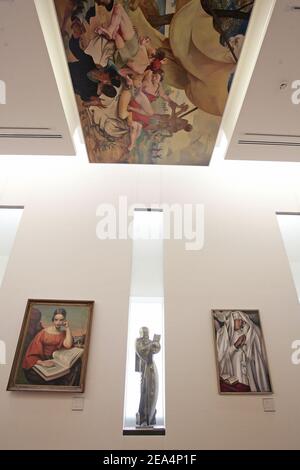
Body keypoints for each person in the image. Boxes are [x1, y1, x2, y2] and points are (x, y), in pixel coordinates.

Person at [215, 311, 272, 393]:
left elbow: (252, 352)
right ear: (233, 320)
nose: (242, 322)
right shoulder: (224, 335)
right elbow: (222, 356)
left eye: (242, 320)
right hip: (235, 370)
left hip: (247, 369)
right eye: (239, 320)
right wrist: (235, 345)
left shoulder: (244, 333)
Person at [22, 308, 80, 386]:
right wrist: (42, 362)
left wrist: (68, 327)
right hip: (41, 360)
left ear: (64, 321)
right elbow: (32, 353)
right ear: (53, 320)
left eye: (61, 320)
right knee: (44, 377)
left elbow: (68, 345)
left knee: (77, 365)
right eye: (56, 320)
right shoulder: (43, 333)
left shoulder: (63, 333)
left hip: (56, 359)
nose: (58, 322)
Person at [135, 327, 161, 427]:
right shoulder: (138, 342)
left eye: (147, 334)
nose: (146, 335)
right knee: (144, 393)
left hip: (151, 369)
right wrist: (151, 344)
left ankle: (150, 418)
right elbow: (142, 352)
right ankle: (143, 419)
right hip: (145, 370)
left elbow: (156, 349)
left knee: (152, 392)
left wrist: (156, 343)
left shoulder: (148, 342)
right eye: (144, 334)